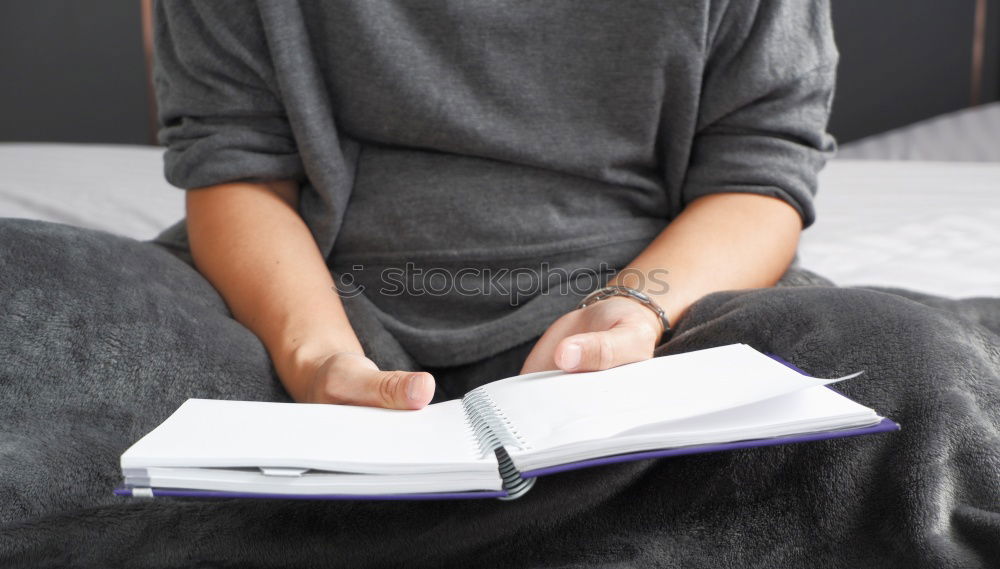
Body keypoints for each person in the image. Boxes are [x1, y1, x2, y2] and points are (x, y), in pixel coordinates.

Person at [151, 0, 836, 409]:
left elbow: (759, 171)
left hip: (650, 310)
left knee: (901, 375)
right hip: (295, 303)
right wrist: (315, 358)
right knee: (51, 319)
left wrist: (634, 312)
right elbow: (233, 160)